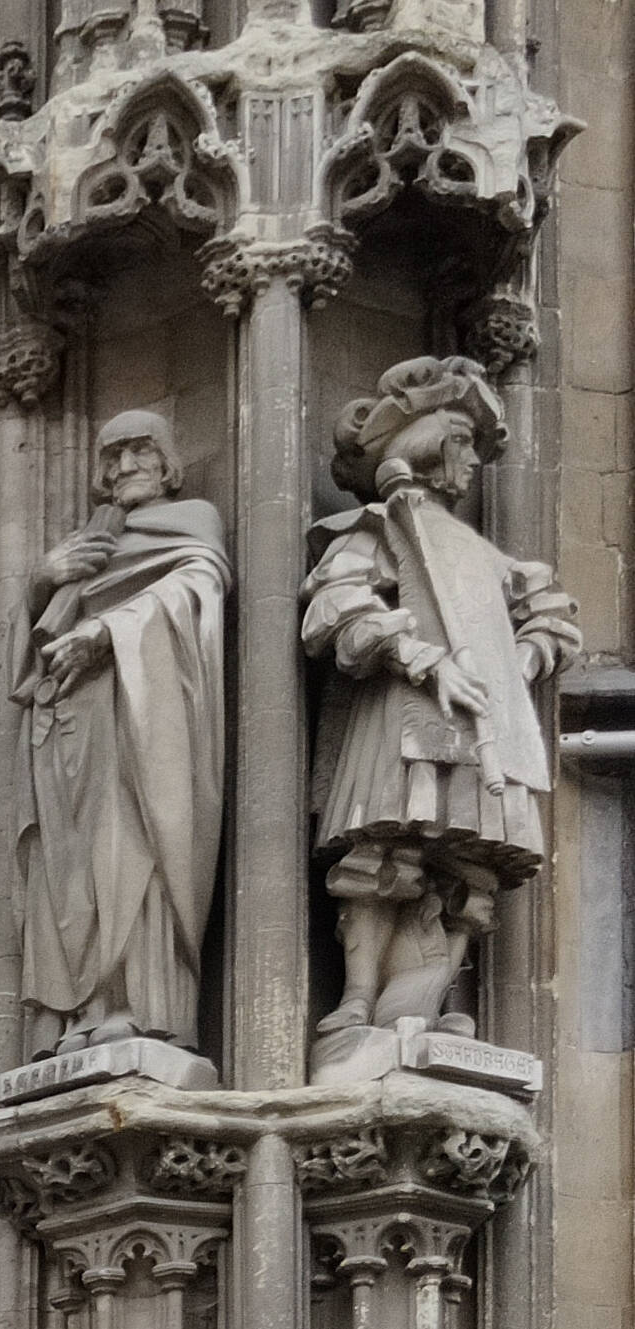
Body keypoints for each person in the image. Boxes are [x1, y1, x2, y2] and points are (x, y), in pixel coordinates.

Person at [301, 357, 580, 1036]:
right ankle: (358, 998)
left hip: (485, 720)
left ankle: (427, 1003)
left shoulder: (483, 554)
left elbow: (552, 614)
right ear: (426, 444)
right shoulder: (384, 524)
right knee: (381, 852)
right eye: (461, 441)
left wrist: (516, 661)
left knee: (470, 867)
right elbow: (335, 610)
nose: (473, 461)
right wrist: (421, 660)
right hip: (402, 712)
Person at [9, 410, 231, 1058]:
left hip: (144, 712)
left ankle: (141, 1008)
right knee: (69, 868)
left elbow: (198, 590)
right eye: (113, 456)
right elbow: (29, 650)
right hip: (70, 722)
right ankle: (81, 1011)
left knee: (132, 849)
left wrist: (107, 631)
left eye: (140, 451)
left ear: (168, 462)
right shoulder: (88, 541)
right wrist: (43, 580)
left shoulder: (193, 522)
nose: (126, 466)